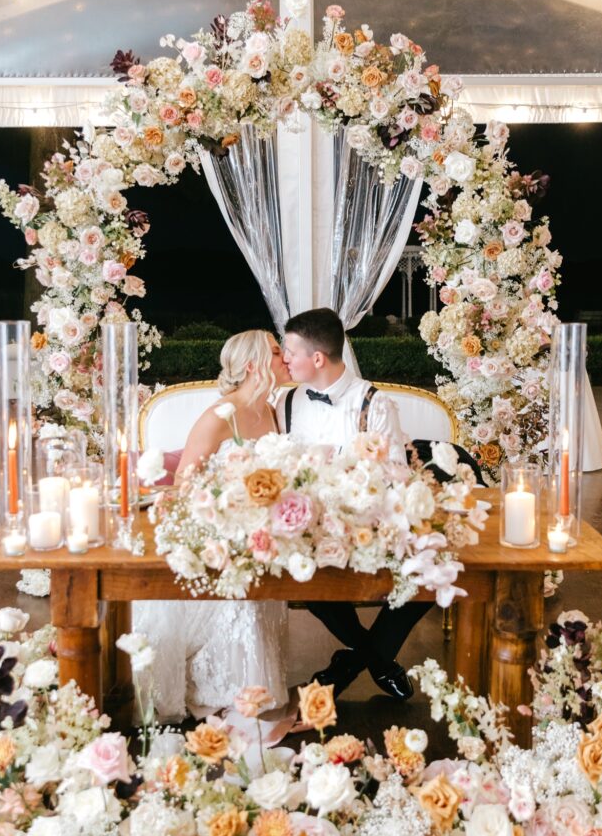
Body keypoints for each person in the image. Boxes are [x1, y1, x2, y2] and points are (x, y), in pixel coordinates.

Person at [132, 330, 292, 722]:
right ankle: (221, 691)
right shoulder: (219, 416)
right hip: (217, 532)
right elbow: (185, 485)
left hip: (257, 533)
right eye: (276, 352)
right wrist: (228, 507)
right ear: (254, 365)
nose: (285, 357)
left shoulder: (273, 411)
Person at [276, 307, 435, 701]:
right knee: (300, 570)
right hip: (312, 530)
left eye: (290, 351)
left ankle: (350, 663)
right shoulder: (286, 403)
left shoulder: (374, 404)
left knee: (428, 573)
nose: (284, 359)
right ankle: (377, 659)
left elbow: (394, 475)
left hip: (370, 523)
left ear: (317, 358)